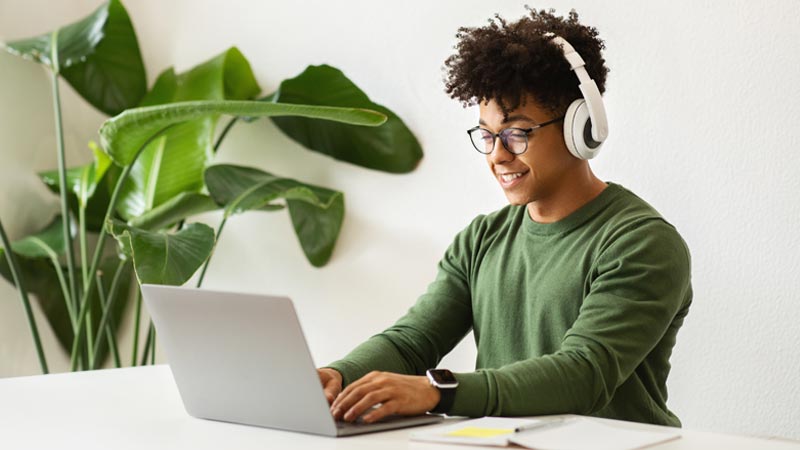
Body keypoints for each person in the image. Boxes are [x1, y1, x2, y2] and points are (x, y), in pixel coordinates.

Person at [317, 7, 692, 427]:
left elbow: (584, 373)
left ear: (581, 129)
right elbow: (413, 341)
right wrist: (337, 374)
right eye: (487, 135)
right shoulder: (481, 239)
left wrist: (438, 390)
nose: (497, 154)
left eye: (517, 133)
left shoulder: (641, 243)